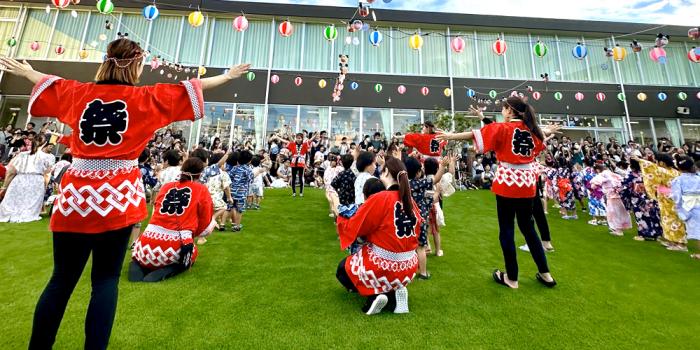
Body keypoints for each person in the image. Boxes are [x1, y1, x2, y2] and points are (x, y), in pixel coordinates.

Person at [0, 38, 250, 349]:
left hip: (76, 197)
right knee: (104, 281)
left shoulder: (78, 93)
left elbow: (51, 83)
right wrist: (227, 76)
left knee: (61, 280)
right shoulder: (145, 98)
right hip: (118, 196)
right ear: (137, 65)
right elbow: (191, 87)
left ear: (106, 61)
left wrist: (27, 73)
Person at [437, 99, 559, 289]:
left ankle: (512, 278)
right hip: (527, 182)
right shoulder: (532, 129)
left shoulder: (503, 128)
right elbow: (540, 141)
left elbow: (474, 135)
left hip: (508, 181)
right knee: (529, 228)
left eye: (503, 109)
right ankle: (546, 274)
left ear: (510, 111)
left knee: (507, 230)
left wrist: (450, 135)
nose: (502, 112)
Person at [335, 156, 422, 315]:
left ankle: (376, 295)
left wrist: (339, 215)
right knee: (375, 255)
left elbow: (356, 226)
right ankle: (395, 293)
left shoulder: (380, 198)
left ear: (386, 172)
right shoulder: (410, 201)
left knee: (343, 269)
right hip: (409, 266)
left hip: (384, 265)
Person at [129, 158, 215, 282]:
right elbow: (205, 223)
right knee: (192, 252)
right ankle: (167, 270)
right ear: (200, 174)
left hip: (144, 245)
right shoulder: (201, 189)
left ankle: (137, 267)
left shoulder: (166, 187)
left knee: (140, 257)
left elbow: (156, 209)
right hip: (172, 246)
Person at [405, 156, 448, 279]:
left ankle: (409, 271)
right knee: (420, 247)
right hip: (420, 220)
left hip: (407, 220)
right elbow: (436, 179)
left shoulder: (404, 184)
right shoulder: (421, 183)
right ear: (418, 172)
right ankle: (423, 273)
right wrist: (443, 166)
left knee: (409, 247)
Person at [636, 154, 687, 251]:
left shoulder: (666, 171)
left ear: (662, 162)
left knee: (675, 220)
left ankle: (681, 244)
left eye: (658, 161)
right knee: (668, 220)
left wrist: (640, 160)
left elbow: (652, 168)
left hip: (670, 198)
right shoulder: (675, 171)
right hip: (667, 199)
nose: (657, 163)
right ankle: (672, 241)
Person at [0, 136, 55, 222]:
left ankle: (11, 213)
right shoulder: (47, 157)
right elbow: (48, 171)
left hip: (20, 178)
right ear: (44, 144)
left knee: (15, 199)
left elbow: (11, 171)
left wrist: (4, 186)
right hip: (36, 179)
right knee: (30, 202)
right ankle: (26, 214)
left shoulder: (21, 155)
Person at [620, 159, 663, 241]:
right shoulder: (647, 174)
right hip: (649, 196)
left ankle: (643, 235)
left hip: (637, 198)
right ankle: (656, 234)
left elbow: (624, 188)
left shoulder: (631, 175)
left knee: (641, 217)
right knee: (652, 214)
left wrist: (626, 200)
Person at [590, 164, 632, 236]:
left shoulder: (602, 175)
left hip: (612, 196)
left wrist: (599, 186)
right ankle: (621, 227)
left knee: (613, 213)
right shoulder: (612, 173)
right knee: (621, 212)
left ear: (597, 170)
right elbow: (622, 179)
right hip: (620, 194)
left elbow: (593, 186)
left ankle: (618, 230)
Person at [670, 155, 698, 258]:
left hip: (690, 206)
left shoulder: (679, 180)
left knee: (698, 230)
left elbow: (676, 196)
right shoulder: (698, 177)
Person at [203, 152, 233, 235]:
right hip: (215, 196)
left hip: (205, 195)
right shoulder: (223, 173)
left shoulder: (207, 170)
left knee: (209, 210)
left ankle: (208, 224)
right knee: (224, 207)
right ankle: (213, 219)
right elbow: (226, 187)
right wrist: (229, 197)